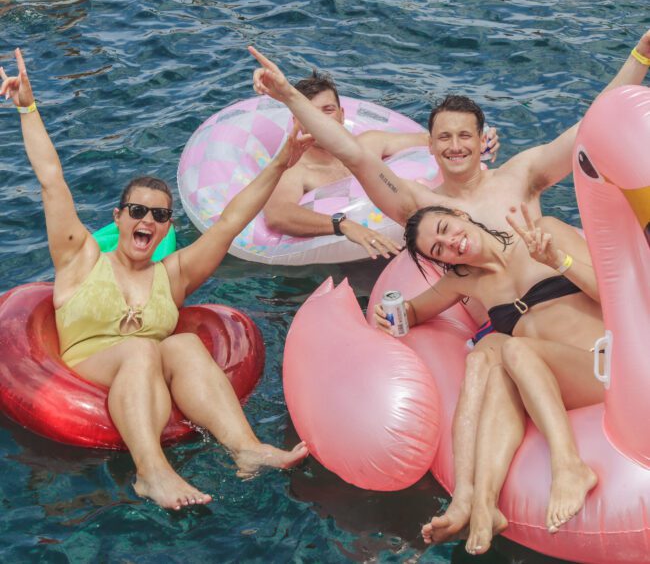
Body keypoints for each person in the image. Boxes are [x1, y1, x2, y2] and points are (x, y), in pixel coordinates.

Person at [248, 32, 650, 545]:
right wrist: (288, 95)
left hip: (589, 350)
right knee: (490, 352)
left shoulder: (521, 180)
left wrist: (640, 57)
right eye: (443, 138)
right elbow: (353, 154)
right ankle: (472, 503)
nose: (455, 147)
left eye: (465, 136)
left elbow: (593, 128)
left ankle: (485, 498)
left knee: (499, 350)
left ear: (483, 139)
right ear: (430, 144)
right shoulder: (426, 215)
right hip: (538, 353)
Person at [0, 48, 309, 511]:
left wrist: (280, 164)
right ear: (118, 218)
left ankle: (246, 447)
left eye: (160, 214)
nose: (148, 219)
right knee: (142, 348)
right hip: (89, 371)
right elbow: (51, 180)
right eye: (138, 211)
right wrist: (27, 108)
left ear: (166, 227)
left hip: (152, 388)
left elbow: (229, 222)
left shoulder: (173, 274)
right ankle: (152, 472)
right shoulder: (80, 258)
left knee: (182, 345)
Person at [373, 202, 604, 553]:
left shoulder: (544, 233)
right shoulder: (463, 280)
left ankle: (569, 465)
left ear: (461, 216)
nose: (451, 242)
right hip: (555, 376)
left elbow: (616, 295)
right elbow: (415, 311)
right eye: (438, 248)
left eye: (446, 228)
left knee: (513, 349)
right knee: (488, 355)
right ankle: (477, 501)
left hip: (605, 362)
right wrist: (387, 314)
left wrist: (558, 261)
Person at [263, 69, 501, 260]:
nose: (322, 120)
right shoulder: (296, 169)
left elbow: (435, 140)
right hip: (351, 258)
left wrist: (484, 138)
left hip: (422, 236)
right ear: (297, 119)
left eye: (329, 110)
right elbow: (278, 215)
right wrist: (343, 225)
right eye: (312, 113)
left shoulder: (370, 143)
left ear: (342, 114)